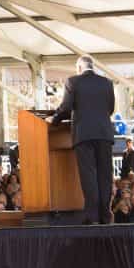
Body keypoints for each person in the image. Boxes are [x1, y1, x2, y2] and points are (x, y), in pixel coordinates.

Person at [48, 55, 115, 225]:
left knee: (89, 175)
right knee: (105, 175)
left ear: (79, 68)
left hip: (84, 134)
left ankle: (92, 216)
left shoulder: (73, 82)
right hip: (104, 134)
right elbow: (110, 107)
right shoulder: (106, 82)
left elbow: (66, 107)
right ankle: (105, 215)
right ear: (92, 66)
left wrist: (54, 119)